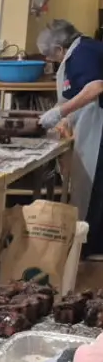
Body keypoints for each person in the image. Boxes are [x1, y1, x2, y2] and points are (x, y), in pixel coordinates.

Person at [37, 19, 103, 259]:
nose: (50, 61)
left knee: (96, 184)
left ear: (59, 49)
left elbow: (95, 88)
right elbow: (74, 93)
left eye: (50, 56)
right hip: (93, 122)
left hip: (100, 125)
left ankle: (93, 246)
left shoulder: (82, 54)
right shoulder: (82, 49)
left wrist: (59, 113)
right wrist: (61, 115)